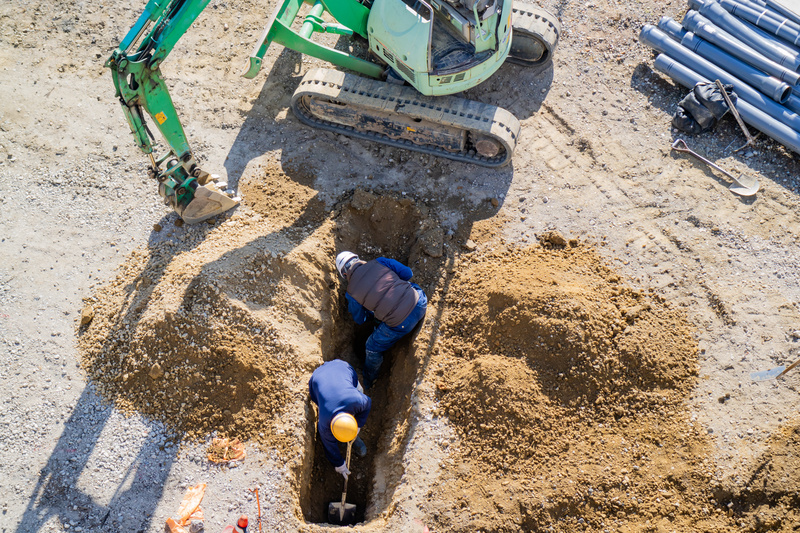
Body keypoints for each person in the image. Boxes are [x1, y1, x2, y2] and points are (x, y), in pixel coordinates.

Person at [335, 251, 427, 388]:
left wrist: (372, 311)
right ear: (357, 258)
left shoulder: (351, 293)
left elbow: (360, 319)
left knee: (372, 347)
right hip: (420, 303)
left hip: (401, 323)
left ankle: (369, 381)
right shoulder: (380, 261)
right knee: (410, 287)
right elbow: (408, 274)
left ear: (344, 275)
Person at [308, 359, 371, 479]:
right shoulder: (324, 425)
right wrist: (339, 464)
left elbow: (368, 403)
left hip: (342, 367)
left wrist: (357, 427)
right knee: (321, 401)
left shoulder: (357, 400)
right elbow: (329, 445)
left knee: (360, 390)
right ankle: (348, 437)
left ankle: (353, 438)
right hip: (317, 378)